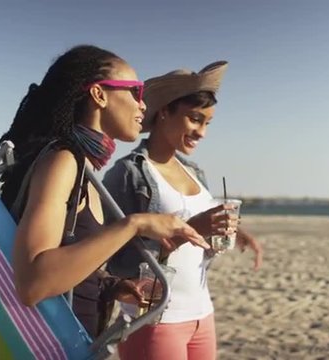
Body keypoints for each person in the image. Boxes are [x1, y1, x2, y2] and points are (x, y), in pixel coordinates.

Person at [0, 45, 209, 338]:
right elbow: (33, 283)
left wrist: (109, 286)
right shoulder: (63, 160)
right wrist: (137, 223)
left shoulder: (83, 167)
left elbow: (67, 263)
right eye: (135, 92)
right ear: (99, 95)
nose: (143, 105)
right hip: (50, 345)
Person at [103, 61, 263, 359]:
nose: (201, 132)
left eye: (207, 123)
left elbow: (200, 225)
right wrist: (189, 231)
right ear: (164, 111)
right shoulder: (128, 174)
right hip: (156, 319)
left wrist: (234, 232)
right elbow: (112, 260)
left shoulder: (194, 171)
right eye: (194, 119)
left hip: (202, 312)